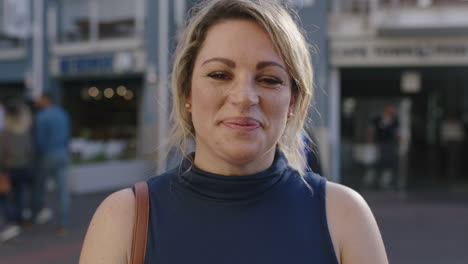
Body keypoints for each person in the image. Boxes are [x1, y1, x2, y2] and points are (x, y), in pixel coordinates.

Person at [80, 1, 388, 263]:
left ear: (293, 100)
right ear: (187, 92)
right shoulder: (124, 219)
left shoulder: (345, 217)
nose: (243, 97)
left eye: (269, 79)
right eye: (219, 74)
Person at [31, 93, 71, 234]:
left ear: (46, 100)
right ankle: (63, 223)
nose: (37, 102)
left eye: (39, 99)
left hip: (47, 155)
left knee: (38, 187)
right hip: (63, 154)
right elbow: (67, 136)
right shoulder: (63, 114)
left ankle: (34, 216)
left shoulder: (42, 117)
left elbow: (39, 140)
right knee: (62, 191)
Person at [0, 99, 34, 242]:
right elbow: (30, 150)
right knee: (20, 193)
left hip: (9, 168)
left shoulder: (5, 133)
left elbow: (1, 153)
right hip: (23, 167)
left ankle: (12, 220)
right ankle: (19, 219)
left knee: (4, 196)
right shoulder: (25, 132)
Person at [365, 104, 400, 190]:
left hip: (389, 145)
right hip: (378, 144)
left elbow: (397, 133)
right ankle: (368, 182)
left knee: (388, 164)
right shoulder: (377, 119)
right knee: (374, 164)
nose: (392, 112)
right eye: (391, 110)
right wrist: (370, 143)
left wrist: (399, 143)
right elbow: (371, 131)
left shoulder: (395, 121)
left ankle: (384, 183)